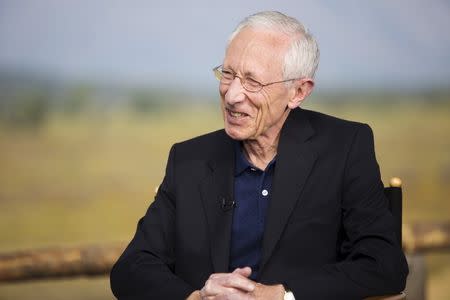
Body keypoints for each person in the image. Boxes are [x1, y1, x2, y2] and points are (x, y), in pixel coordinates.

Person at [110, 11, 408, 300]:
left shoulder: (344, 147)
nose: (231, 95)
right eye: (227, 74)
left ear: (298, 91)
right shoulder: (188, 160)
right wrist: (196, 298)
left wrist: (282, 295)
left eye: (252, 81)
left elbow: (384, 265)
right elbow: (130, 270)